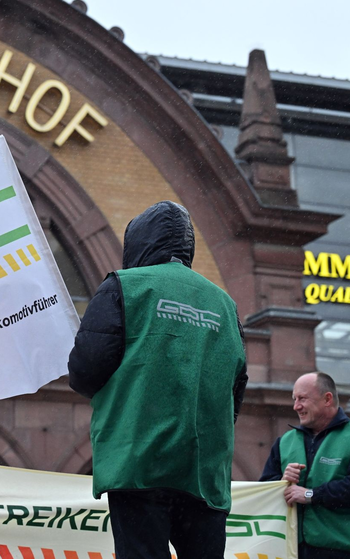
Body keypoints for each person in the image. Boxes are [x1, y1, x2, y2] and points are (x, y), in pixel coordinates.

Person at [68, 200, 247, 559]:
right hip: (204, 471)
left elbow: (85, 370)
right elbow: (236, 387)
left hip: (139, 460)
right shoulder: (225, 304)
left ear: (139, 242)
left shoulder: (124, 287)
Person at [260, 372, 350, 558]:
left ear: (327, 399)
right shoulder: (285, 442)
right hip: (290, 550)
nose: (296, 406)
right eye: (294, 399)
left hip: (339, 549)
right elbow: (264, 491)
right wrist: (282, 482)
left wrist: (311, 495)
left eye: (302, 398)